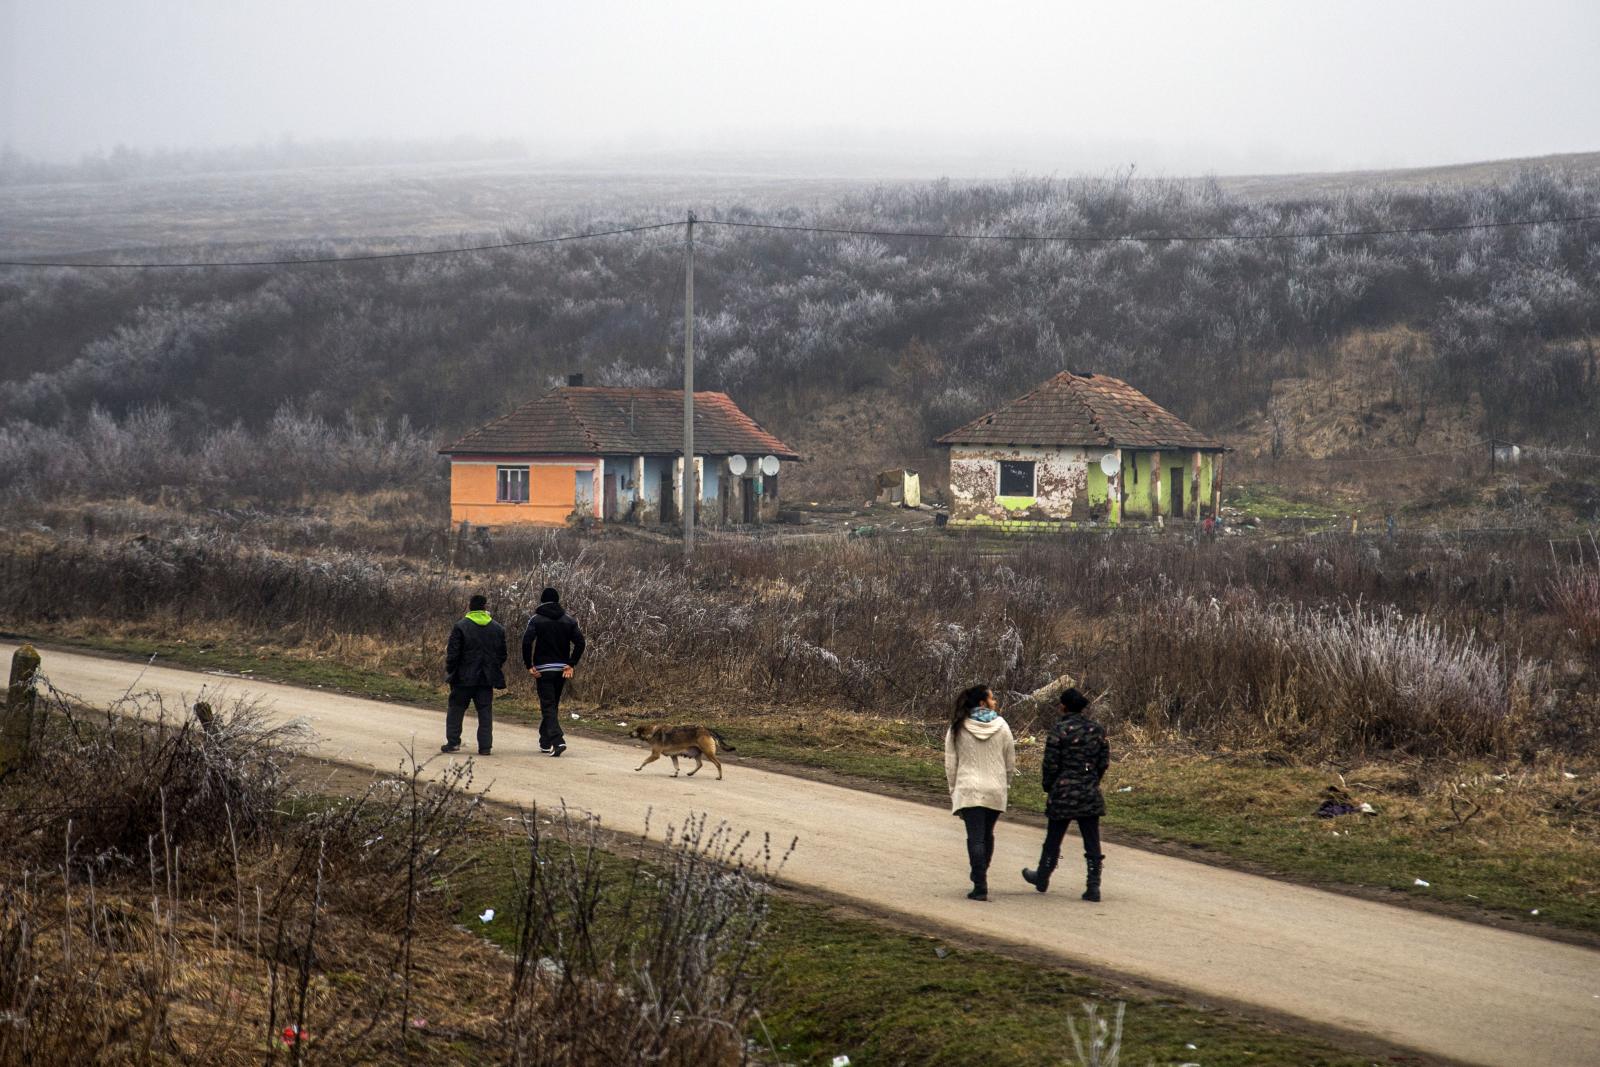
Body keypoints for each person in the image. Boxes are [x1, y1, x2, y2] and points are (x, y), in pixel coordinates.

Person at [1022, 688, 1110, 901]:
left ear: (1063, 706)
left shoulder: (1059, 730)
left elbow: (1050, 763)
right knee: (1092, 840)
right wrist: (1092, 780)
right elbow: (1103, 762)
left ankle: (1043, 875)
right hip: (1088, 789)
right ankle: (1093, 884)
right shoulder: (1096, 730)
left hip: (1063, 789)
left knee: (1053, 838)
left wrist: (1049, 786)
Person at [945, 683, 1017, 901]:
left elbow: (951, 764)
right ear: (982, 702)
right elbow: (1010, 762)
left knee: (975, 838)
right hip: (995, 789)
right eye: (992, 699)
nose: (995, 702)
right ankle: (981, 872)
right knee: (987, 835)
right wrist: (1005, 784)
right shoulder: (1002, 726)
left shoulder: (957, 727)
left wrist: (953, 790)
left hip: (968, 789)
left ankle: (979, 882)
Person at [521, 587, 586, 757]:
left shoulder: (536, 619)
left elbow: (526, 642)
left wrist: (529, 665)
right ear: (558, 600)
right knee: (552, 705)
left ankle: (557, 741)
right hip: (561, 669)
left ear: (542, 600)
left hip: (543, 669)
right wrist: (571, 664)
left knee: (547, 705)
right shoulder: (569, 620)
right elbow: (580, 643)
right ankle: (545, 742)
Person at [443, 593, 508, 755]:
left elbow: (453, 653)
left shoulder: (461, 626)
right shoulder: (497, 628)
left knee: (456, 710)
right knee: (485, 712)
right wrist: (493, 668)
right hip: (486, 678)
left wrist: (451, 670)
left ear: (470, 606)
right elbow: (502, 654)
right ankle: (485, 746)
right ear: (485, 607)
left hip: (463, 677)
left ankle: (453, 743)